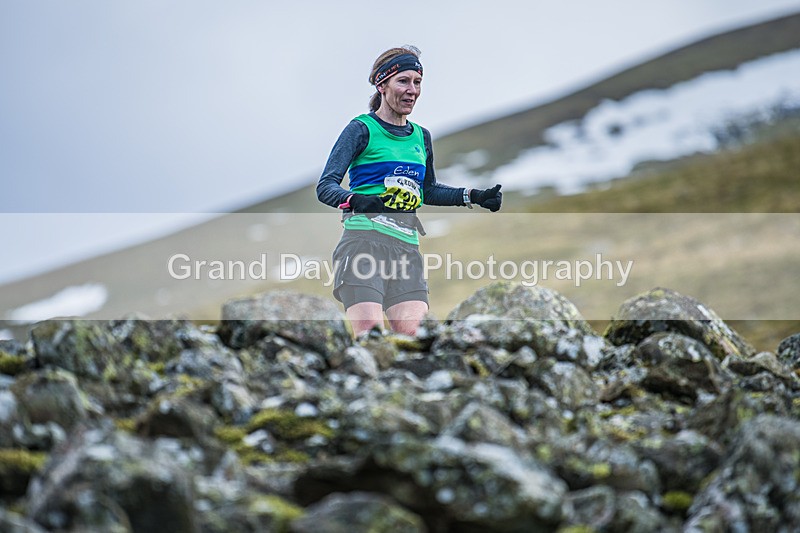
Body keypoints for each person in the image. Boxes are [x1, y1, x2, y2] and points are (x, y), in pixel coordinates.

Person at [316, 45, 502, 337]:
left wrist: (473, 196)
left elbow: (427, 190)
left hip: (406, 250)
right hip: (363, 245)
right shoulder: (361, 129)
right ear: (382, 84)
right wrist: (356, 199)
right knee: (371, 338)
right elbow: (325, 186)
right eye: (403, 81)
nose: (412, 90)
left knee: (415, 341)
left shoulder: (421, 136)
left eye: (417, 82)